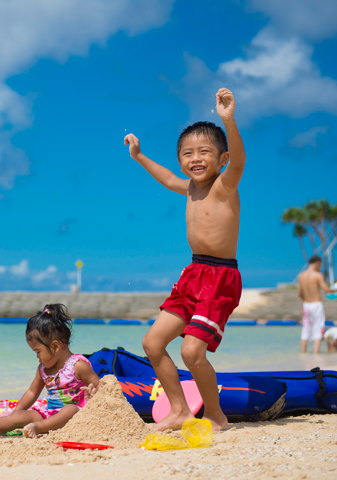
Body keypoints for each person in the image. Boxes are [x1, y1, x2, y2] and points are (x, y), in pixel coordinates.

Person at [124, 88, 244, 432]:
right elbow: (166, 179)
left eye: (204, 152)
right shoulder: (189, 188)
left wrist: (228, 119)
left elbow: (239, 161)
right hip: (193, 273)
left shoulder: (225, 185)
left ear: (220, 159)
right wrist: (140, 156)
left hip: (220, 278)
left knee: (192, 352)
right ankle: (179, 410)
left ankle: (216, 416)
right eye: (187, 153)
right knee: (152, 343)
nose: (195, 158)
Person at [0, 304, 99, 439]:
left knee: (69, 409)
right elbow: (32, 392)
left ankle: (38, 428)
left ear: (55, 346)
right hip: (48, 414)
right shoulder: (43, 369)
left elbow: (102, 386)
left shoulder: (77, 365)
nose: (37, 356)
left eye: (38, 351)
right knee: (19, 417)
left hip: (76, 414)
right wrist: (17, 412)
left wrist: (94, 390)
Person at [297, 256, 337, 354]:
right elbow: (326, 290)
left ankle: (303, 354)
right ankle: (316, 354)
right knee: (318, 329)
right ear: (317, 263)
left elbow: (299, 293)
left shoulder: (301, 275)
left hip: (306, 305)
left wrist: (306, 300)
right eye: (320, 265)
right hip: (316, 305)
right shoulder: (317, 275)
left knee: (305, 330)